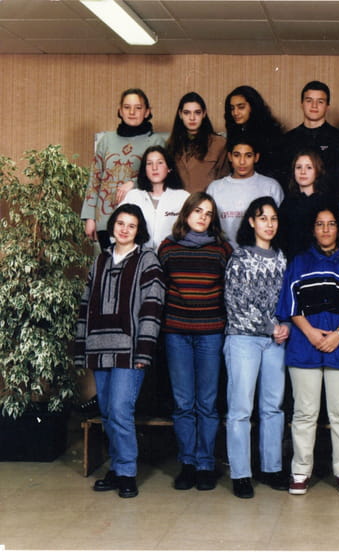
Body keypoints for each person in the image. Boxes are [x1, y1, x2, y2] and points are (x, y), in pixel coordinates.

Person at [276, 206, 339, 496]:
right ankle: (300, 470)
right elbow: (290, 304)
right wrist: (311, 333)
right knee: (305, 412)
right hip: (305, 343)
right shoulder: (300, 262)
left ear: (338, 229)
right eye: (320, 224)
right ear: (313, 229)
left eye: (331, 224)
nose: (326, 229)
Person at [74, 203, 165, 499]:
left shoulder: (147, 260)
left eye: (131, 225)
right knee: (106, 412)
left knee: (120, 410)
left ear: (139, 231)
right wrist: (81, 348)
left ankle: (127, 472)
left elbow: (152, 307)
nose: (124, 229)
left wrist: (144, 350)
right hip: (99, 347)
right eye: (120, 223)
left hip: (130, 350)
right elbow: (85, 306)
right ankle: (116, 467)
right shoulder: (100, 260)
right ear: (112, 225)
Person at [157, 192, 233, 492]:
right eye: (198, 210)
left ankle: (205, 464)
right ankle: (187, 463)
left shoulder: (222, 249)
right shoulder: (167, 247)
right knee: (183, 402)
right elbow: (160, 289)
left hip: (210, 332)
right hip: (177, 332)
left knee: (207, 402)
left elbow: (229, 290)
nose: (202, 217)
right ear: (186, 213)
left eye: (208, 213)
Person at [224, 197, 289, 499]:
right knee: (241, 408)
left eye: (273, 218)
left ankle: (271, 468)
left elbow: (289, 300)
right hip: (243, 339)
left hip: (276, 342)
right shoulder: (239, 257)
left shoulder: (282, 258)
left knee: (272, 407)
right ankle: (241, 474)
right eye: (263, 218)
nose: (269, 224)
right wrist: (270, 327)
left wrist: (285, 325)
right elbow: (235, 302)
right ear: (251, 222)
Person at [82, 88, 165, 251]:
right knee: (109, 263)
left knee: (135, 264)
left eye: (138, 108)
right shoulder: (106, 140)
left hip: (138, 219)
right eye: (127, 107)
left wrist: (133, 183)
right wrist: (90, 218)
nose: (132, 112)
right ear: (120, 111)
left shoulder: (156, 141)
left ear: (147, 112)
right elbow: (95, 180)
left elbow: (160, 178)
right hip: (105, 218)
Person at [206, 135, 284, 248]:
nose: (242, 162)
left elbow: (280, 226)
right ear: (229, 157)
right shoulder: (215, 188)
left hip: (260, 254)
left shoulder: (271, 187)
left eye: (248, 156)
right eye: (237, 155)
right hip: (223, 253)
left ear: (256, 157)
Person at [279, 81, 339, 195]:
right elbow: (284, 177)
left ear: (327, 106)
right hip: (296, 200)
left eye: (320, 101)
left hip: (329, 201)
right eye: (309, 100)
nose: (314, 106)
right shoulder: (288, 139)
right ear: (302, 104)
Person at [120, 145, 190, 250]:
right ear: (144, 169)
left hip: (172, 255)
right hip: (138, 256)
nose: (154, 168)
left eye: (160, 163)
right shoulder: (133, 196)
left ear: (169, 168)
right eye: (149, 163)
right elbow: (117, 227)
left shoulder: (183, 197)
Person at [166, 91, 230, 193]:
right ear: (180, 114)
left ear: (204, 114)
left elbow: (224, 181)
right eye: (187, 113)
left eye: (197, 112)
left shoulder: (219, 144)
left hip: (208, 200)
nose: (192, 118)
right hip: (178, 201)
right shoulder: (171, 145)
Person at [278, 150, 334, 259]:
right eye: (298, 167)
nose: (303, 172)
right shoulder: (288, 202)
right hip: (293, 262)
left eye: (309, 167)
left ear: (317, 171)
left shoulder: (327, 202)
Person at [223, 85, 284, 180]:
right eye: (232, 108)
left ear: (253, 107)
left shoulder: (270, 134)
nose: (235, 113)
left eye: (241, 107)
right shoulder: (235, 132)